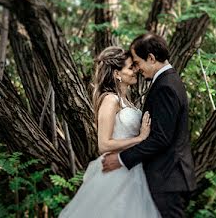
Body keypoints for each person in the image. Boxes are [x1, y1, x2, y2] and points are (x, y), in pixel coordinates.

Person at [101, 33, 196, 218]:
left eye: (137, 62)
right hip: (165, 179)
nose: (137, 68)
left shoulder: (166, 86)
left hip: (167, 179)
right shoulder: (167, 81)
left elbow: (161, 138)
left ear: (151, 58)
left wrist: (121, 160)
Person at [59, 46, 160, 217]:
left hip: (132, 170)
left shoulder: (127, 101)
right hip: (115, 173)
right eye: (130, 67)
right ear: (116, 74)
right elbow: (104, 144)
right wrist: (140, 138)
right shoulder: (110, 100)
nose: (135, 71)